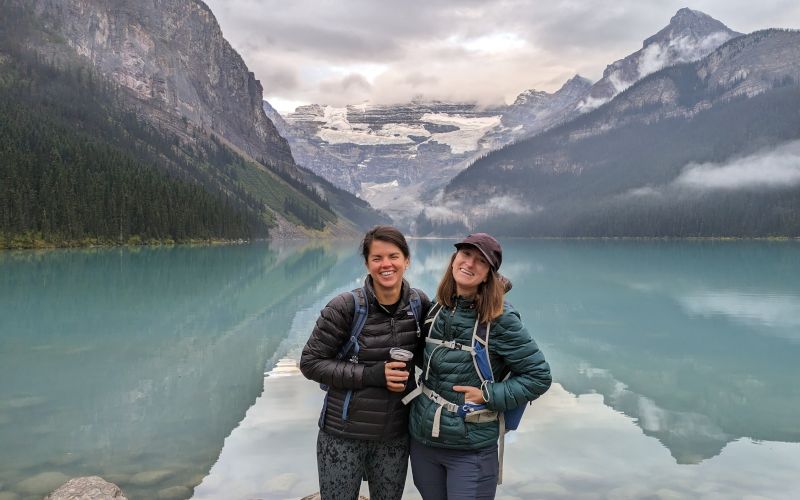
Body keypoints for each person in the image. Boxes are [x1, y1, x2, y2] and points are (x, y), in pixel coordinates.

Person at [407, 233, 551, 499]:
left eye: (480, 261)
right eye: (465, 255)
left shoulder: (500, 319)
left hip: (471, 449)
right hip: (424, 442)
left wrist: (488, 395)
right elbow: (426, 361)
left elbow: (539, 376)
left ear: (488, 274)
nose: (469, 264)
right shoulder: (436, 309)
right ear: (453, 260)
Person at [300, 226, 431, 500]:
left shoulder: (419, 305)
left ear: (406, 260)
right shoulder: (345, 307)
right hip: (343, 434)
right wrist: (373, 374)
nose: (386, 265)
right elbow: (310, 363)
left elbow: (436, 356)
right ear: (367, 264)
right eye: (377, 258)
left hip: (394, 436)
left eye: (393, 256)